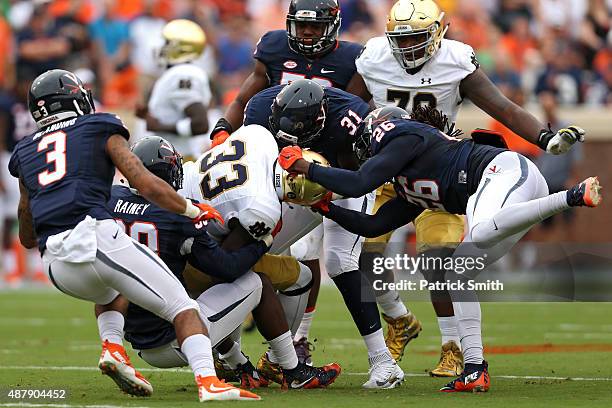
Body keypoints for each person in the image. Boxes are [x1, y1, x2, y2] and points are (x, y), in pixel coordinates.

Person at [278, 104, 598, 392]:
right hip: (509, 197)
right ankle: (474, 368)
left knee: (482, 231)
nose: (368, 149)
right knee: (458, 273)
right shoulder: (409, 184)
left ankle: (569, 196)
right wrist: (325, 208)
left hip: (506, 173)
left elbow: (360, 182)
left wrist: (308, 169)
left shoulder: (404, 132)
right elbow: (373, 225)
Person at [345, 0, 587, 374]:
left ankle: (452, 345)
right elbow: (349, 110)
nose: (407, 48)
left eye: (416, 39)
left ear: (439, 32)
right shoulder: (374, 57)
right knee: (367, 257)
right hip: (386, 172)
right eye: (401, 39)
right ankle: (399, 319)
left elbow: (502, 108)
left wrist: (545, 138)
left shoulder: (455, 59)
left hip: (436, 172)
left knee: (436, 260)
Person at [8, 69, 259, 402]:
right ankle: (209, 382)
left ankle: (113, 347)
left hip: (55, 264)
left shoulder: (25, 150)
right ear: (74, 98)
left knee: (110, 288)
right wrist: (192, 210)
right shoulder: (99, 125)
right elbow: (144, 182)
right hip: (93, 238)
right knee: (183, 307)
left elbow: (26, 226)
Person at [111, 135, 341, 390]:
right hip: (176, 339)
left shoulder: (111, 200)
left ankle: (238, 365)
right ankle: (292, 370)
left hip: (135, 337)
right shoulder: (177, 218)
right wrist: (262, 243)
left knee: (204, 291)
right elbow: (227, 268)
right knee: (255, 283)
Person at [209, 0, 364, 352]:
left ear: (333, 25)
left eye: (315, 26)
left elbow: (346, 120)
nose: (307, 33)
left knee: (314, 251)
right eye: (301, 25)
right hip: (271, 161)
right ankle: (252, 329)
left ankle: (298, 337)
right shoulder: (275, 46)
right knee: (254, 239)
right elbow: (246, 96)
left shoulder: (354, 59)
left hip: (318, 163)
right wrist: (223, 129)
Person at [242, 79, 404, 389]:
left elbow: (360, 178)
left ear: (318, 122)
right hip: (287, 184)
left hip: (342, 184)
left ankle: (383, 362)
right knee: (258, 249)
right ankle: (266, 357)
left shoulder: (351, 118)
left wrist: (317, 181)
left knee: (340, 261)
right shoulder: (261, 107)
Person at [136, 19, 210, 157]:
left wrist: (160, 127)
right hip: (170, 157)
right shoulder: (173, 73)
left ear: (182, 47)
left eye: (167, 43)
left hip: (179, 159)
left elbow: (200, 123)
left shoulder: (183, 73)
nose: (162, 46)